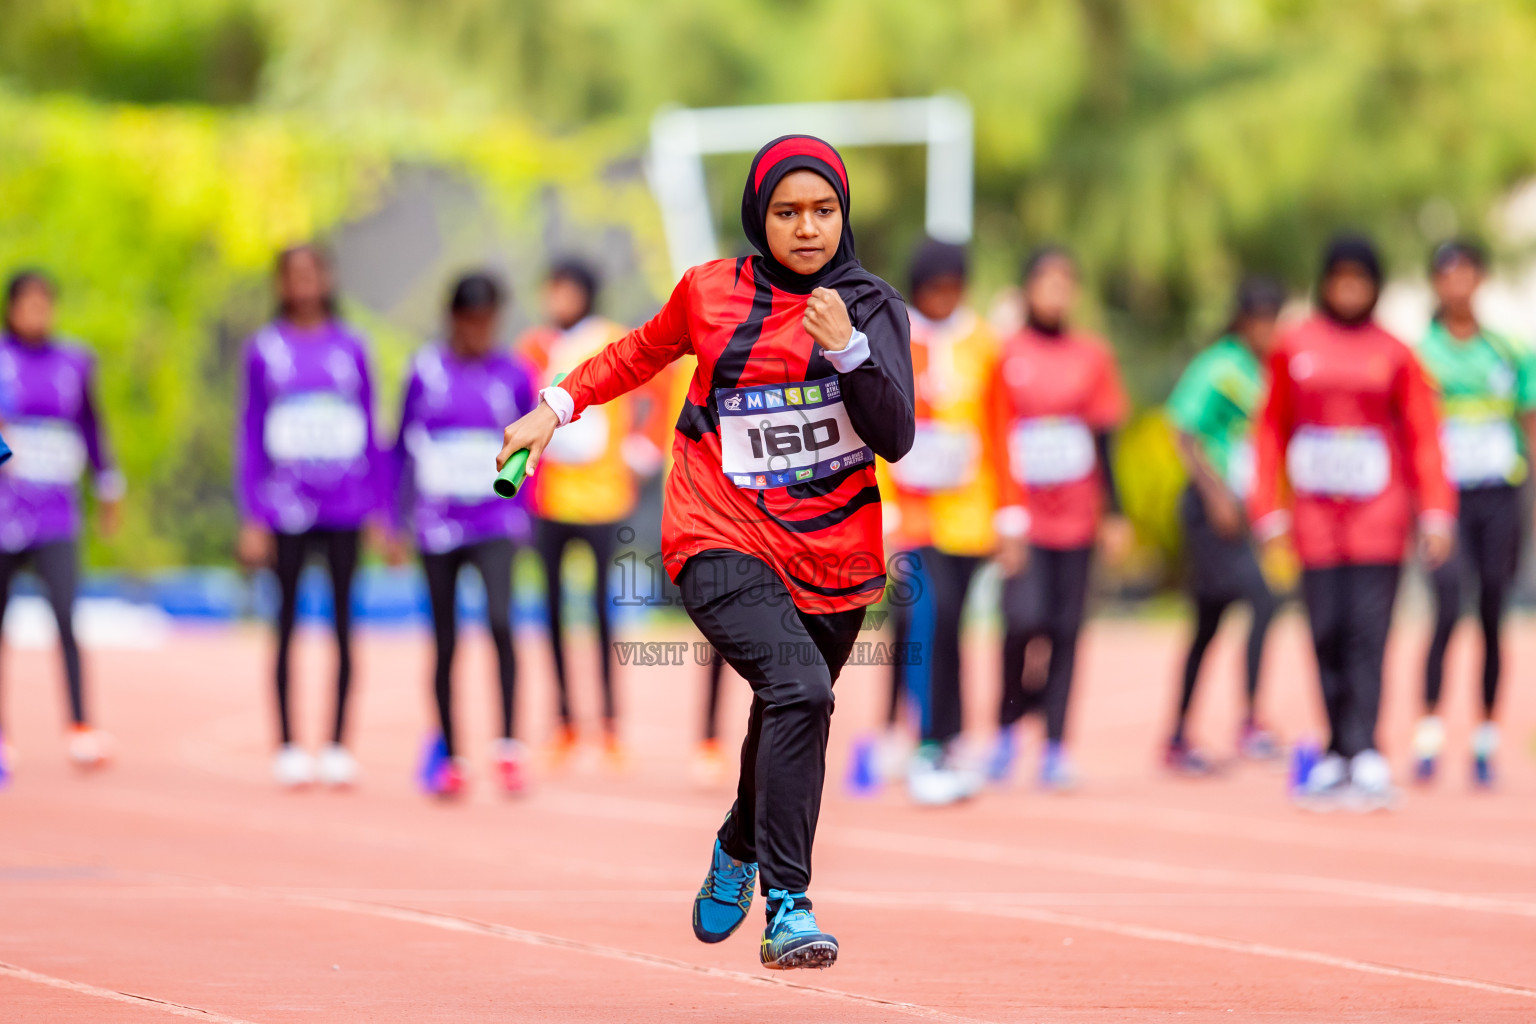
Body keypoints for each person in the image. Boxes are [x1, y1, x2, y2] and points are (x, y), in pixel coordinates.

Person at [497, 135, 914, 970]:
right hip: (716, 532)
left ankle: (738, 837)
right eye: (788, 212)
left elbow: (895, 436)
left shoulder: (868, 304)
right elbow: (634, 354)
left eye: (823, 211)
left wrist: (850, 351)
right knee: (800, 689)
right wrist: (554, 406)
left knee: (789, 706)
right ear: (759, 215)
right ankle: (790, 905)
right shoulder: (711, 292)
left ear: (844, 214)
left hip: (833, 550)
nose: (806, 228)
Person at [1250, 235, 1454, 811]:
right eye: (1339, 278)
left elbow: (1423, 436)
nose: (1349, 289)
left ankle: (1365, 751)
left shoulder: (1394, 352)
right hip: (1315, 524)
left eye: (1360, 279)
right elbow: (1269, 430)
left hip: (1378, 521)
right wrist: (1268, 510)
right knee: (1326, 634)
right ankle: (1337, 750)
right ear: (1324, 283)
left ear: (1375, 285)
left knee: (1368, 636)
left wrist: (1436, 511)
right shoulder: (1296, 346)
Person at [236, 244, 382, 789]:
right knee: (287, 625)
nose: (302, 283)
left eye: (312, 272)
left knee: (345, 624)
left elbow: (372, 429)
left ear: (327, 278)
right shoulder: (264, 350)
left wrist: (380, 508)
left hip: (345, 505)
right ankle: (290, 743)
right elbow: (250, 433)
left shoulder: (352, 347)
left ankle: (340, 744)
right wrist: (251, 513)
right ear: (280, 283)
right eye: (292, 274)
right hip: (284, 507)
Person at [985, 246, 1131, 790]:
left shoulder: (1092, 356)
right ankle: (1005, 729)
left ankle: (1054, 745)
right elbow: (991, 437)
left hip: (1076, 517)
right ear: (1026, 289)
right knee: (1022, 622)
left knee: (1067, 631)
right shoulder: (1004, 354)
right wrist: (1000, 514)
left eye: (1066, 283)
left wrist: (1116, 514)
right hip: (1024, 521)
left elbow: (1105, 438)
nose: (1057, 292)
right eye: (1046, 282)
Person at [390, 273, 537, 798]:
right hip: (437, 525)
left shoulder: (514, 373)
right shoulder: (425, 371)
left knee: (501, 622)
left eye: (489, 322)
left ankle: (509, 747)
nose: (481, 331)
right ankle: (452, 755)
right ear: (454, 319)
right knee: (446, 639)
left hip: (496, 521)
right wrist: (394, 521)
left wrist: (530, 514)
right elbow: (400, 447)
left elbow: (532, 446)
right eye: (472, 321)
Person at [519, 260, 657, 769]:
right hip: (550, 496)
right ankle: (566, 723)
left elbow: (657, 392)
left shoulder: (610, 339)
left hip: (601, 496)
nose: (557, 298)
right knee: (553, 609)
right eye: (550, 288)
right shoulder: (533, 346)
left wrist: (642, 445)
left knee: (600, 612)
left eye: (566, 289)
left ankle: (611, 726)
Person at [879, 237, 1000, 805]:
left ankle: (948, 740)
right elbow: (875, 427)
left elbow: (998, 428)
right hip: (914, 518)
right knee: (927, 618)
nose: (945, 299)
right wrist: (884, 507)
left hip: (970, 516)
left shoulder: (982, 344)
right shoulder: (893, 339)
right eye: (935, 290)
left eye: (954, 289)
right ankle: (925, 744)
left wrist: (1009, 514)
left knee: (954, 629)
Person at [1412, 240, 1536, 788]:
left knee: (1492, 611)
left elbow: (1529, 423)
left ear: (1480, 279)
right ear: (1436, 283)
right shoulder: (1418, 355)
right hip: (1444, 501)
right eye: (1447, 274)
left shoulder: (1510, 351)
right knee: (1444, 606)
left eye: (1466, 272)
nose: (1457, 283)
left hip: (1500, 495)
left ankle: (1485, 738)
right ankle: (1430, 730)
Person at [1162, 276, 1287, 774]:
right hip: (1212, 512)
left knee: (1211, 622)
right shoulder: (1219, 366)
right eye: (1258, 320)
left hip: (1254, 515)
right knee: (1260, 596)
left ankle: (1180, 734)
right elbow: (1182, 429)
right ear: (1241, 321)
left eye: (1273, 319)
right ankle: (1247, 722)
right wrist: (1215, 495)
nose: (1266, 329)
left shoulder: (1277, 370)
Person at [0, 270, 122, 775]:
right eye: (26, 304)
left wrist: (108, 483)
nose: (36, 313)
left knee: (67, 618)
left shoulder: (74, 361)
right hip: (5, 514)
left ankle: (79, 726)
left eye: (44, 304)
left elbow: (91, 427)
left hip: (57, 515)